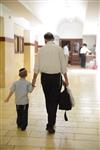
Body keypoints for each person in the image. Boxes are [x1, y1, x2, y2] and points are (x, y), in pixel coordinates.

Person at [32, 32, 69, 134]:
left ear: (45, 40)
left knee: (48, 99)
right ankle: (51, 122)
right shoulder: (59, 49)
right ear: (53, 39)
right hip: (56, 78)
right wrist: (66, 79)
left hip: (45, 78)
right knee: (54, 100)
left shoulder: (41, 50)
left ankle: (50, 120)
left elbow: (37, 67)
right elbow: (63, 66)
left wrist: (33, 80)